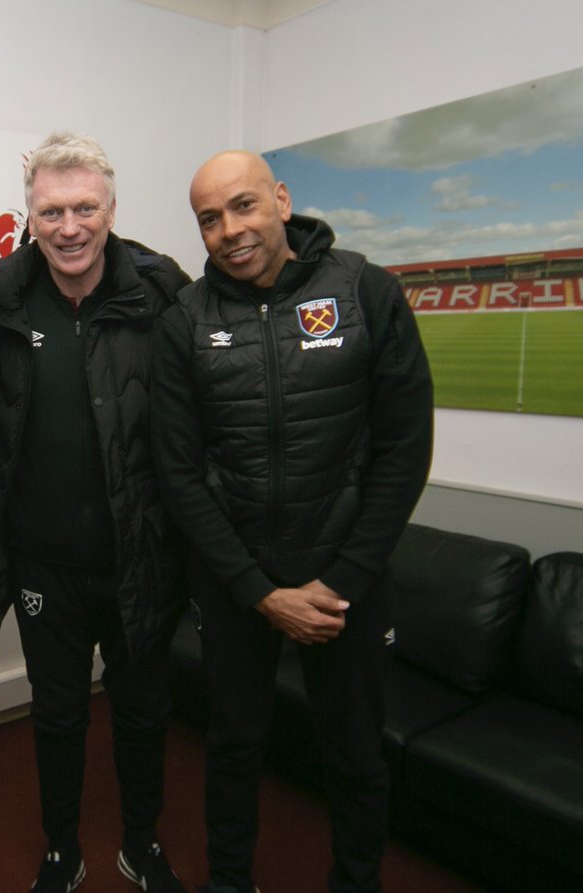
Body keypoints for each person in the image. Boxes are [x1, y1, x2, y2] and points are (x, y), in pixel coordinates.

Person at [151, 151, 434, 893]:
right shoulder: (185, 320)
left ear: (280, 199)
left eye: (242, 206)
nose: (228, 230)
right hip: (236, 583)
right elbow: (179, 474)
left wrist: (338, 582)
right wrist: (257, 590)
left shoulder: (367, 291)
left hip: (345, 582)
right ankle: (230, 880)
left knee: (356, 754)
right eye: (209, 218)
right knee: (234, 746)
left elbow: (404, 451)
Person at [0, 132, 190, 893]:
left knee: (140, 712)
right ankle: (61, 846)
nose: (69, 226)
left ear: (112, 209)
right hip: (41, 561)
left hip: (141, 556)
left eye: (84, 207)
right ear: (29, 215)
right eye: (52, 209)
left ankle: (141, 840)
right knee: (57, 715)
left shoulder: (161, 289)